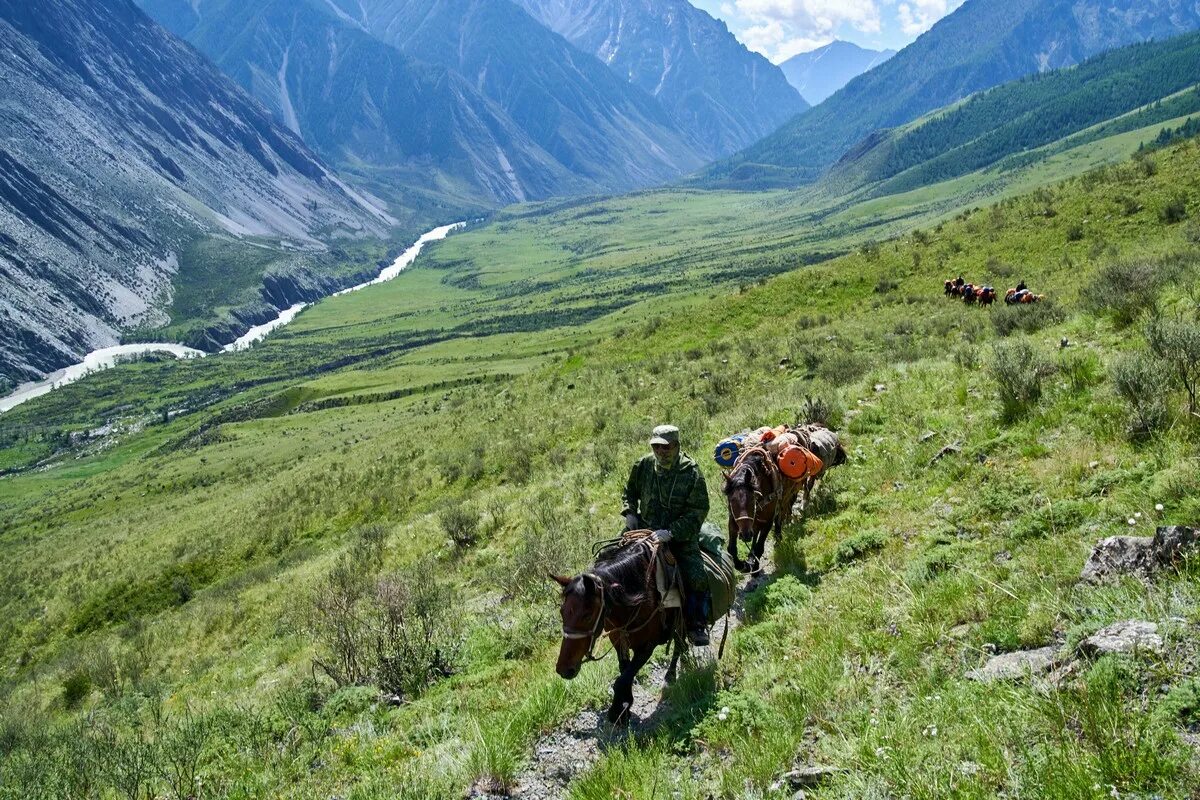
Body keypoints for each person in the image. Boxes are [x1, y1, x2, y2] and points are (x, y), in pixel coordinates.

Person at [621, 424, 712, 646]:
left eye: (666, 447)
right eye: (656, 447)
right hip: (643, 530)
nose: (661, 452)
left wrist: (671, 532)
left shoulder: (691, 473)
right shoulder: (643, 465)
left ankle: (696, 624)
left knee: (697, 576)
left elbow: (697, 511)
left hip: (678, 537)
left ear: (677, 446)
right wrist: (630, 512)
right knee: (613, 561)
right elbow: (629, 491)